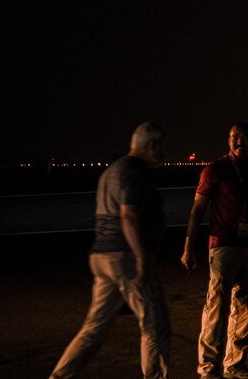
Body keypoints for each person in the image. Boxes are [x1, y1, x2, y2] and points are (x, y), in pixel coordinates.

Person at [50, 122, 171, 379]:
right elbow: (128, 216)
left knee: (94, 327)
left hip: (102, 256)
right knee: (155, 324)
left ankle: (60, 376)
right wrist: (141, 258)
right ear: (151, 146)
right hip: (125, 255)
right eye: (162, 147)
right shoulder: (134, 172)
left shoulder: (112, 170)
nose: (164, 153)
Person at [181, 121, 248, 379]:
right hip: (223, 246)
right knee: (216, 307)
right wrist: (188, 248)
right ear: (228, 141)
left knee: (246, 309)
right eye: (234, 137)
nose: (239, 141)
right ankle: (208, 368)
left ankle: (235, 365)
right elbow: (197, 210)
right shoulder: (215, 170)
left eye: (244, 137)